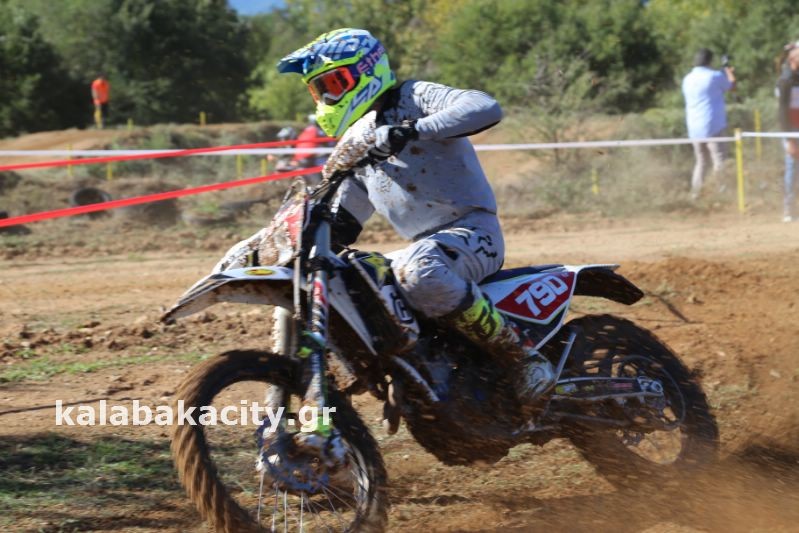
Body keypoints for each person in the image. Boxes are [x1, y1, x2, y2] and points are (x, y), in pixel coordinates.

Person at [276, 28, 554, 406]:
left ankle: (522, 357)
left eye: (334, 84)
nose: (327, 99)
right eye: (318, 91)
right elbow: (345, 220)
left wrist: (412, 130)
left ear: (366, 70)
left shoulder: (412, 97)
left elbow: (485, 106)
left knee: (417, 269)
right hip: (426, 247)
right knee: (358, 278)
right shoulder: (358, 144)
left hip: (473, 232)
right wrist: (310, 230)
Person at [681, 48, 736, 199]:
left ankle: (695, 194)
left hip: (694, 127)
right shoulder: (714, 76)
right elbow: (732, 85)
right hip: (713, 125)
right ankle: (720, 194)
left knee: (701, 162)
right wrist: (728, 71)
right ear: (709, 61)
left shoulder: (687, 79)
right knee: (719, 161)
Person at [777, 42, 799, 222]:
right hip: (792, 129)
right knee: (792, 167)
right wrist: (789, 139)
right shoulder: (785, 80)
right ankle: (788, 210)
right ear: (793, 58)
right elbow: (782, 111)